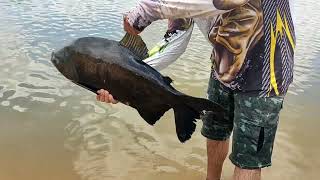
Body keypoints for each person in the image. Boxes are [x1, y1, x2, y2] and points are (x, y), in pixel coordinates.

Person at [97, 0, 296, 180]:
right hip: (224, 65)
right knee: (215, 131)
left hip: (265, 70)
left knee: (248, 158)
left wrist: (146, 11)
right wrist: (125, 79)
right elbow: (175, 40)